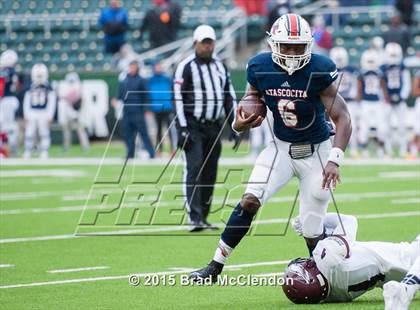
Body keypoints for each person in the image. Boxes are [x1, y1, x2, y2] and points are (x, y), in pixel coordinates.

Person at [189, 14, 351, 281]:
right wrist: (240, 123)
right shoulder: (260, 66)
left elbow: (343, 117)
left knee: (312, 229)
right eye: (285, 46)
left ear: (308, 45)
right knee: (250, 199)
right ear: (273, 44)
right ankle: (214, 266)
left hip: (317, 152)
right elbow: (252, 97)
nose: (291, 52)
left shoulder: (319, 68)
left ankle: (324, 275)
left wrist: (335, 159)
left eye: (298, 46)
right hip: (280, 148)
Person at [173, 24, 240, 232]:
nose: (207, 46)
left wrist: (235, 125)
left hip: (214, 126)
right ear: (195, 43)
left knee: (210, 171)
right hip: (193, 125)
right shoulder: (186, 66)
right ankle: (195, 217)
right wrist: (182, 128)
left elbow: (229, 97)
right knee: (194, 169)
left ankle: (204, 215)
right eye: (204, 42)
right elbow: (177, 98)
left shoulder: (221, 66)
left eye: (210, 42)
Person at [282, 213, 419, 310]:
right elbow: (348, 221)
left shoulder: (333, 296)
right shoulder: (328, 258)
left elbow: (330, 266)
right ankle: (405, 291)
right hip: (410, 256)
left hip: (399, 276)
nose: (308, 261)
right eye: (306, 265)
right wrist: (315, 220)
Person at [117, 60, 155, 159]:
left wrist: (147, 109)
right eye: (130, 67)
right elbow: (120, 95)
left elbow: (146, 96)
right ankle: (130, 154)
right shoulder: (124, 81)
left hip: (138, 111)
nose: (131, 69)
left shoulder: (141, 80)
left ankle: (151, 153)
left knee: (143, 133)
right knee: (128, 134)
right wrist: (116, 100)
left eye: (133, 67)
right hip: (127, 111)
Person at [380, 42, 411, 157]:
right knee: (386, 126)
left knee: (402, 126)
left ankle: (403, 149)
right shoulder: (383, 67)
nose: (393, 58)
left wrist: (402, 96)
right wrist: (385, 98)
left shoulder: (403, 66)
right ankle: (388, 149)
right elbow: (380, 84)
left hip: (400, 100)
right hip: (387, 101)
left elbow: (407, 82)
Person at [357, 49, 390, 157]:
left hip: (376, 102)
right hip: (367, 102)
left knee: (381, 127)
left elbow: (383, 87)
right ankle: (365, 150)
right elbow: (359, 88)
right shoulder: (363, 73)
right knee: (364, 127)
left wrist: (385, 100)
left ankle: (380, 149)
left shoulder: (378, 73)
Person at [330, 47, 360, 157]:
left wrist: (356, 97)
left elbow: (357, 85)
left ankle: (353, 149)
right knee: (333, 127)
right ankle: (333, 151)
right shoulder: (330, 70)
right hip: (335, 101)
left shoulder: (352, 70)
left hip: (350, 101)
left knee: (353, 126)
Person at [23, 63, 56, 159]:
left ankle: (44, 151)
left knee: (44, 132)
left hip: (44, 112)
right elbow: (26, 101)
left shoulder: (48, 87)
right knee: (29, 132)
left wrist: (50, 114)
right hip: (32, 112)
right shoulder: (30, 87)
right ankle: (28, 150)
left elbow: (52, 102)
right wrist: (26, 114)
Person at [57, 72, 90, 152]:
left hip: (76, 113)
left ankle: (85, 146)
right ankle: (67, 146)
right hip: (68, 112)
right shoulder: (65, 87)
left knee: (80, 130)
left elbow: (81, 102)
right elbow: (63, 100)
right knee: (67, 130)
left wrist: (78, 112)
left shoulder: (78, 88)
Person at [148, 61, 175, 156]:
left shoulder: (167, 78)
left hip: (167, 107)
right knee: (158, 130)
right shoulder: (150, 80)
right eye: (157, 66)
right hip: (156, 108)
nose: (158, 68)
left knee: (170, 129)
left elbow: (173, 91)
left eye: (159, 66)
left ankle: (172, 150)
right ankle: (159, 150)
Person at [0, 49, 20, 156]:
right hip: (11, 99)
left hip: (6, 99)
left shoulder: (6, 72)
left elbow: (2, 87)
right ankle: (9, 148)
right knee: (8, 125)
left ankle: (8, 149)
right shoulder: (13, 72)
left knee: (6, 126)